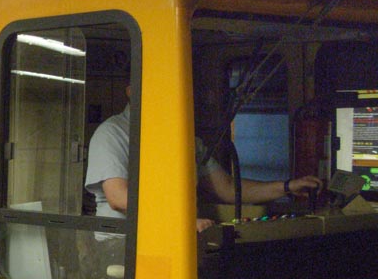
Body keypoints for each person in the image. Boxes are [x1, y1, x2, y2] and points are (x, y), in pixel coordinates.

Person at [85, 97, 322, 231]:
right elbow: (119, 198)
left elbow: (228, 189)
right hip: (121, 247)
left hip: (180, 239)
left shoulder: (184, 138)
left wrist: (287, 186)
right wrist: (182, 222)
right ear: (130, 89)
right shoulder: (113, 133)